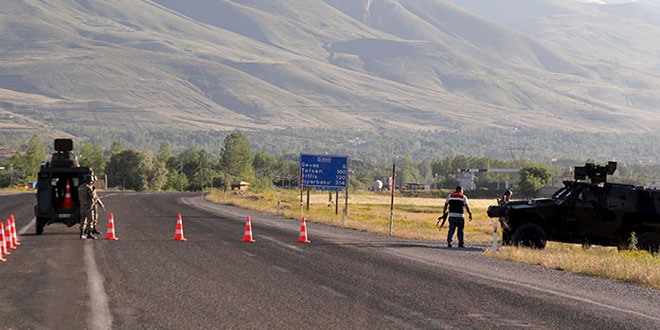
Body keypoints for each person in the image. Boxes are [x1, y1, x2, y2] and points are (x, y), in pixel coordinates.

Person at [78, 175, 99, 239]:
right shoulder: (88, 188)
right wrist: (94, 190)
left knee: (83, 220)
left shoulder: (80, 188)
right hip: (88, 206)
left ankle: (81, 233)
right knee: (90, 220)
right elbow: (92, 196)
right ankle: (89, 233)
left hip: (82, 206)